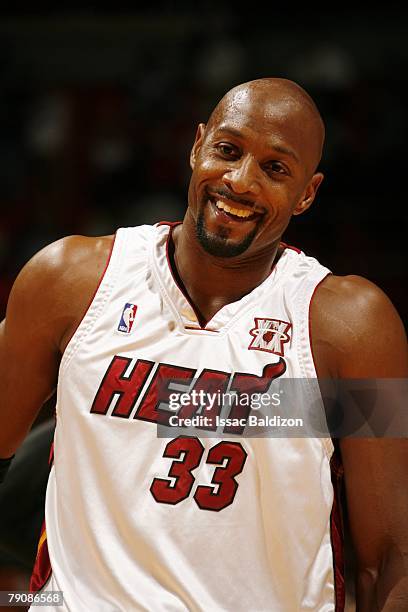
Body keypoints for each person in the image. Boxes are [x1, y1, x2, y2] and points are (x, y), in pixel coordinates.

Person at [1, 77, 407, 612]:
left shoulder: (351, 329)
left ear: (307, 193)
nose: (240, 181)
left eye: (276, 168)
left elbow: (389, 554)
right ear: (197, 147)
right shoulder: (68, 282)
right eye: (228, 150)